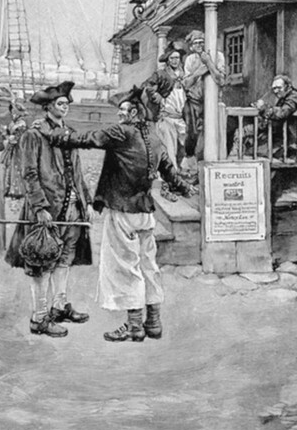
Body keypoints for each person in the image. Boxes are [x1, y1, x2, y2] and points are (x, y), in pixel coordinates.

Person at [40, 85, 193, 343]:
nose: (120, 114)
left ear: (134, 112)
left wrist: (54, 136)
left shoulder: (121, 132)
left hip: (122, 212)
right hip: (145, 213)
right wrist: (187, 189)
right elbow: (169, 172)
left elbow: (88, 139)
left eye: (123, 110)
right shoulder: (154, 137)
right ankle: (153, 323)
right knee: (148, 266)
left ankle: (135, 327)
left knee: (125, 268)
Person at [5, 81, 93, 338]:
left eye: (66, 103)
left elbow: (77, 172)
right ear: (48, 107)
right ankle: (39, 317)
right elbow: (29, 174)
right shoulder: (34, 135)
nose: (64, 107)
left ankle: (59, 306)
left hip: (71, 207)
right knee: (41, 260)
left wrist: (84, 203)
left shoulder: (70, 133)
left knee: (65, 258)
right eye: (60, 103)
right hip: (47, 208)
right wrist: (40, 207)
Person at [229, 75, 297, 159]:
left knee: (253, 152)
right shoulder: (284, 97)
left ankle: (235, 158)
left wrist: (263, 107)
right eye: (274, 88)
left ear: (288, 86)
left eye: (279, 88)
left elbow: (282, 113)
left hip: (290, 141)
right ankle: (234, 157)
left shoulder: (294, 97)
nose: (276, 91)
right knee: (243, 132)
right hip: (279, 134)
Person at [182, 30, 226, 180]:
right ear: (191, 46)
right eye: (196, 43)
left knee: (210, 135)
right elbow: (186, 83)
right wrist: (199, 72)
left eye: (202, 41)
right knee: (192, 134)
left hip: (211, 102)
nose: (199, 45)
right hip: (194, 102)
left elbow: (221, 80)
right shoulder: (190, 60)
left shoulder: (217, 56)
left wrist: (208, 63)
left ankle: (208, 171)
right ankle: (191, 168)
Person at [142, 40, 190, 177]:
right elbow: (148, 86)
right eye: (172, 58)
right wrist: (155, 94)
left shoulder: (183, 75)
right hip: (166, 117)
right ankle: (172, 175)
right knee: (170, 148)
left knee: (186, 143)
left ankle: (182, 170)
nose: (175, 61)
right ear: (168, 60)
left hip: (180, 117)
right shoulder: (161, 74)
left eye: (177, 58)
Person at [1, 100, 28, 199]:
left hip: (19, 148)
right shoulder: (13, 123)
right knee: (9, 167)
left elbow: (20, 137)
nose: (12, 114)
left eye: (14, 112)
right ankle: (8, 189)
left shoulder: (22, 123)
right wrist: (6, 135)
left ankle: (17, 191)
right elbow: (8, 133)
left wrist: (12, 138)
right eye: (12, 112)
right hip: (12, 147)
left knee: (17, 167)